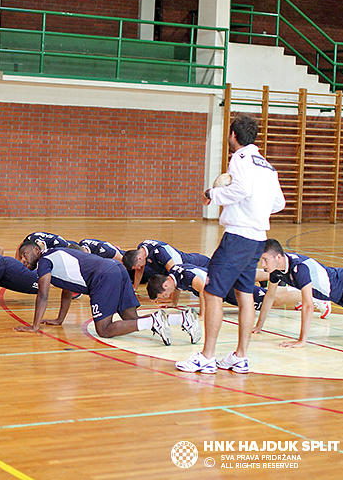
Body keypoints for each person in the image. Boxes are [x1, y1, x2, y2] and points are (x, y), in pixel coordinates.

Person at [176, 114, 285, 374]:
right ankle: (240, 356)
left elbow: (242, 190)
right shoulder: (267, 166)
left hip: (238, 237)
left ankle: (207, 356)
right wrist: (257, 209)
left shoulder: (240, 158)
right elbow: (279, 203)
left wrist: (212, 194)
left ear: (233, 135)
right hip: (258, 238)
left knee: (212, 292)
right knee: (244, 293)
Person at [14, 241, 201, 344]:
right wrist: (59, 319)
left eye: (24, 254)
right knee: (131, 319)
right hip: (116, 269)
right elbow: (67, 290)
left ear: (37, 250)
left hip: (103, 276)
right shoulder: (57, 255)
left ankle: (155, 321)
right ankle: (180, 319)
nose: (22, 260)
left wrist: (34, 326)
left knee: (104, 330)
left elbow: (43, 294)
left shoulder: (45, 260)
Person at [254, 239, 343, 348]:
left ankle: (320, 302)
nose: (262, 264)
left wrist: (301, 341)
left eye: (265, 260)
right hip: (337, 296)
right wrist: (259, 326)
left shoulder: (299, 267)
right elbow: (270, 295)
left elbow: (308, 305)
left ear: (278, 257)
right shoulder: (276, 270)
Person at [146, 263, 274, 314]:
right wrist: (173, 303)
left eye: (164, 295)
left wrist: (202, 314)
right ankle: (274, 275)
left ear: (165, 285)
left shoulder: (186, 277)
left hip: (226, 285)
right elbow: (177, 287)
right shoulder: (173, 273)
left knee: (269, 299)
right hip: (221, 276)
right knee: (247, 275)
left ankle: (290, 289)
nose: (166, 296)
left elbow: (203, 290)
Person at [122, 239, 211, 290]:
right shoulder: (141, 249)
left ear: (139, 258)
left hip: (197, 263)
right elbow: (139, 269)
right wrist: (135, 288)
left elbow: (174, 274)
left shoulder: (160, 253)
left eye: (137, 265)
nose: (139, 268)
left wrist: (171, 298)